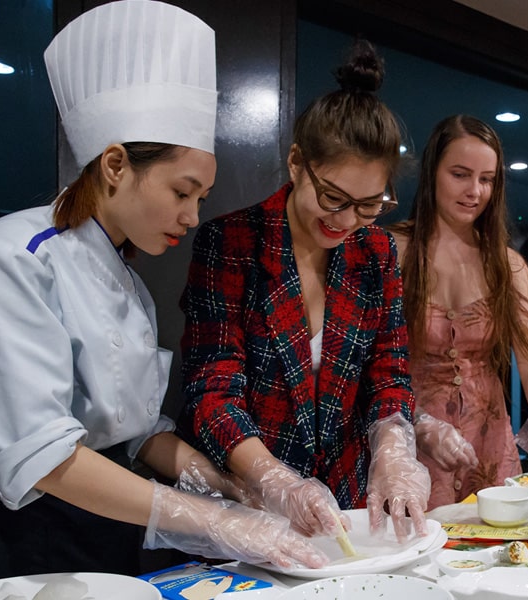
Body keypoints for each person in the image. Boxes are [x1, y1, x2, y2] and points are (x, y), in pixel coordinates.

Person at [0, 1, 325, 589]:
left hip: (109, 525)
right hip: (18, 534)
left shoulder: (128, 282)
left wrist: (235, 488)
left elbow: (139, 434)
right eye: (183, 191)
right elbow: (42, 456)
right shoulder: (11, 257)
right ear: (116, 164)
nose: (194, 216)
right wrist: (214, 522)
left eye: (202, 198)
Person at [179, 39, 430, 543]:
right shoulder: (232, 243)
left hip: (347, 504)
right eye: (333, 197)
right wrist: (274, 479)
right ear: (297, 163)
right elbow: (213, 388)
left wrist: (394, 453)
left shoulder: (375, 251)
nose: (345, 221)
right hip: (246, 495)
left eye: (368, 205)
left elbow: (388, 371)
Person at [387, 115, 528, 509]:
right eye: (460, 175)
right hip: (407, 441)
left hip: (489, 442)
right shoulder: (392, 250)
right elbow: (365, 361)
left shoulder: (507, 264)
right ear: (432, 173)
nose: (475, 192)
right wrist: (415, 421)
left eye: (487, 179)